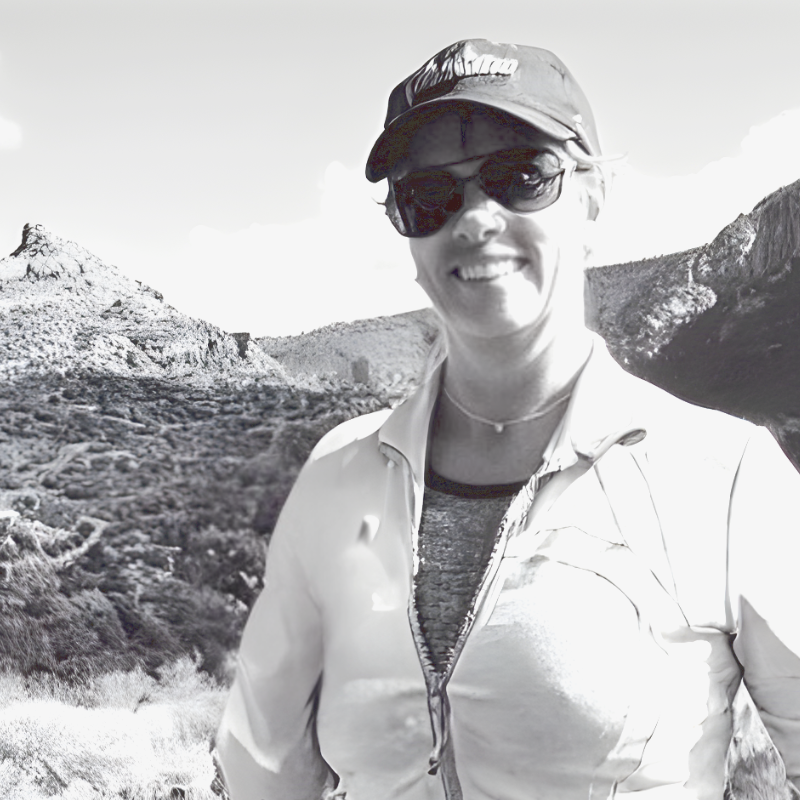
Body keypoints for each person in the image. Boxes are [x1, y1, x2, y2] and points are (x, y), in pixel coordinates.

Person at [215, 40, 800, 799]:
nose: (476, 219)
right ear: (405, 226)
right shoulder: (337, 475)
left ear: (591, 197)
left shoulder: (725, 478)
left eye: (521, 176)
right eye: (429, 193)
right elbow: (262, 770)